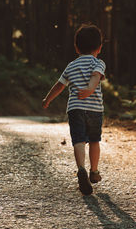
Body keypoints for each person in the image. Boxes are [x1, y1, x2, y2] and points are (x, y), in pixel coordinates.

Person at [42, 24, 106, 195]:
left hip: (75, 108)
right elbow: (95, 76)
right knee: (94, 140)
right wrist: (91, 89)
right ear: (99, 48)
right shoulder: (98, 63)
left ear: (76, 47)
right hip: (94, 110)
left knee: (78, 140)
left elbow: (59, 86)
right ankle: (94, 171)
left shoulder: (71, 65)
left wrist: (48, 99)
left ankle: (81, 169)